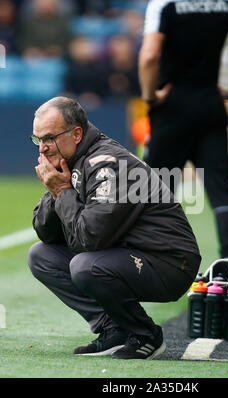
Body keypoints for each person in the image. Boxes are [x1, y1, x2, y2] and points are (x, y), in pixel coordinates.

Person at [27, 96, 201, 360]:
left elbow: (88, 239)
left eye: (49, 138)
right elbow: (47, 234)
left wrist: (61, 191)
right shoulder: (72, 160)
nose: (43, 149)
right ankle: (114, 329)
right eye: (38, 139)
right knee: (41, 255)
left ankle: (146, 335)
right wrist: (54, 191)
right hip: (127, 252)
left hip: (170, 262)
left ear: (76, 134)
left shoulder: (109, 164)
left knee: (85, 265)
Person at [139, 0, 228, 261]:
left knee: (155, 191)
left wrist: (150, 96)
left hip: (172, 109)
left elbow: (150, 55)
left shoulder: (164, 4)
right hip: (211, 106)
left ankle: (155, 262)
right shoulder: (224, 4)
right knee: (221, 191)